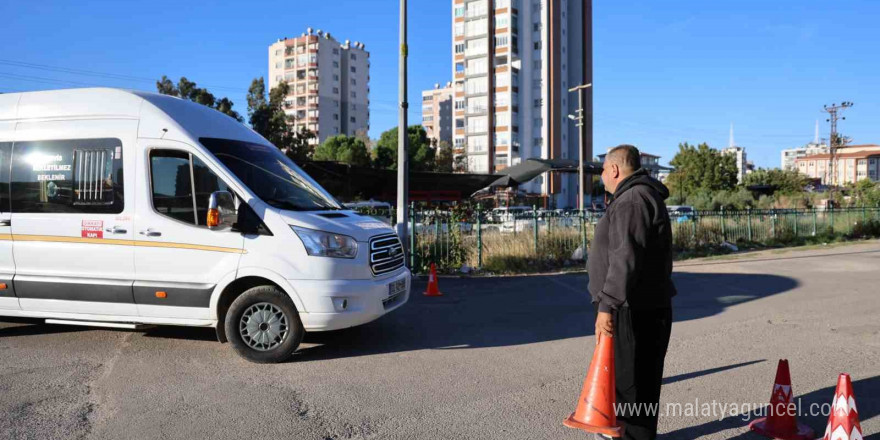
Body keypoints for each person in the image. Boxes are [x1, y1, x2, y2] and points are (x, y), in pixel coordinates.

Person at [588, 145, 676, 440]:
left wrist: (606, 306)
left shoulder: (632, 199)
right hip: (642, 306)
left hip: (634, 309)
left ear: (614, 169)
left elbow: (624, 257)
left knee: (633, 386)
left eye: (602, 170)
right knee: (638, 384)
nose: (601, 176)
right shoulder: (638, 196)